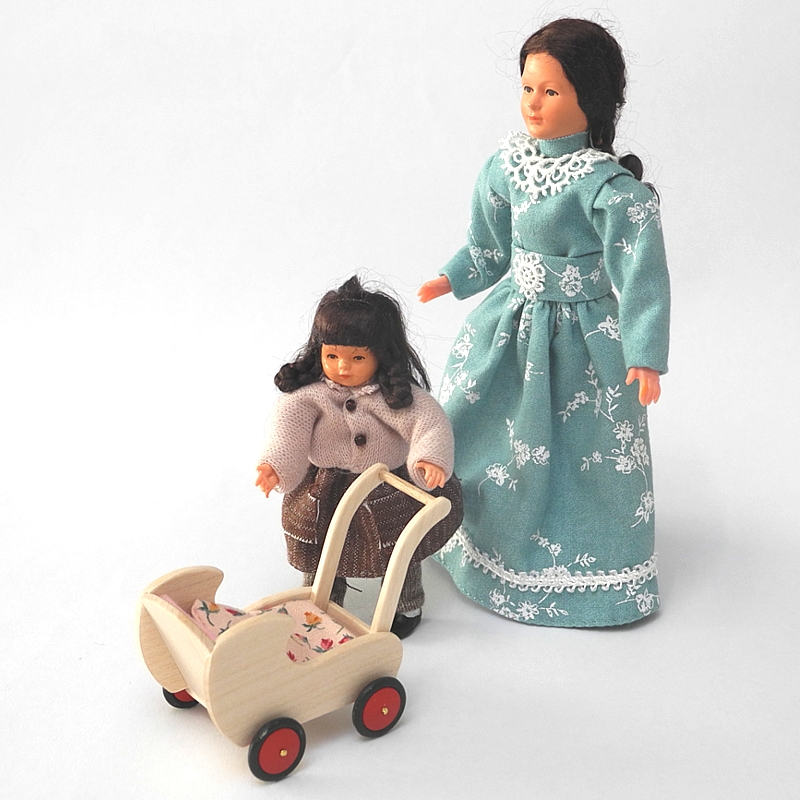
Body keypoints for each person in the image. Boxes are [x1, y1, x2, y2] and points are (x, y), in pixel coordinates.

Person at [418, 18, 670, 627]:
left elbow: (642, 277)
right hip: (510, 326)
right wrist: (454, 276)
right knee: (482, 422)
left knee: (589, 447)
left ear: (591, 98)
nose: (533, 103)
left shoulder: (612, 190)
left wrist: (644, 355)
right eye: (527, 88)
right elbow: (488, 245)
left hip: (586, 340)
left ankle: (590, 568)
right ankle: (473, 532)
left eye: (551, 91)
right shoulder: (508, 165)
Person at [257, 276, 463, 638]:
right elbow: (286, 427)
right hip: (327, 487)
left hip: (388, 486)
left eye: (357, 358)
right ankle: (320, 601)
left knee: (400, 547)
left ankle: (405, 603)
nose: (342, 366)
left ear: (381, 355)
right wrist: (275, 464)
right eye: (332, 355)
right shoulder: (310, 396)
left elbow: (428, 423)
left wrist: (429, 459)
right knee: (321, 546)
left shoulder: (395, 396)